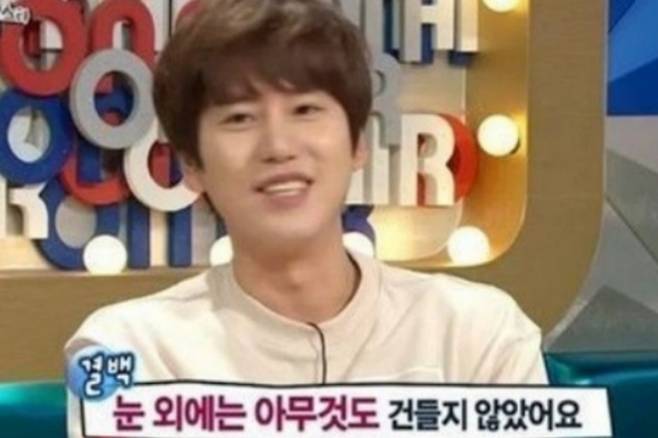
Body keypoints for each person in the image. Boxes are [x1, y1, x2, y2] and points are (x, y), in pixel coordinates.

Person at [65, 0, 547, 435]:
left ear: (358, 143)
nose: (278, 146)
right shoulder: (130, 349)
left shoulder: (478, 332)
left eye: (305, 109)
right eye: (239, 117)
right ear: (192, 165)